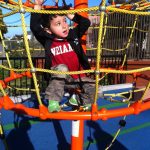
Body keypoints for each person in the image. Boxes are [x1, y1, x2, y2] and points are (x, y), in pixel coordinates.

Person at [30, 0, 102, 112]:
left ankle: (79, 100)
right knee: (62, 68)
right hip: (58, 77)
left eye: (64, 21)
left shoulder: (73, 35)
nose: (64, 26)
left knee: (96, 87)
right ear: (48, 30)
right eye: (58, 24)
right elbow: (35, 27)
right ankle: (53, 102)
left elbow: (85, 23)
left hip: (76, 77)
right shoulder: (48, 40)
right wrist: (38, 5)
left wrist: (71, 15)